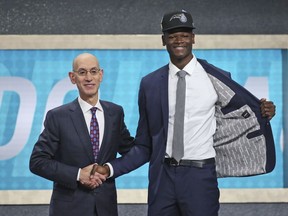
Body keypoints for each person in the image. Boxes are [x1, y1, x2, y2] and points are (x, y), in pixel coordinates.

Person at [94, 10, 276, 216]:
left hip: (200, 176)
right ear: (163, 40)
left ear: (193, 38)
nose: (179, 40)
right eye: (172, 35)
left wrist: (265, 112)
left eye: (184, 34)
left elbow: (244, 112)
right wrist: (109, 169)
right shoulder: (150, 83)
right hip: (162, 178)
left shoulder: (217, 78)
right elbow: (145, 144)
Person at [29, 53, 134, 216]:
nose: (88, 78)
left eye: (93, 71)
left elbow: (133, 153)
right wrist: (78, 175)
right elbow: (37, 162)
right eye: (82, 72)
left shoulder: (115, 113)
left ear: (101, 75)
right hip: (69, 209)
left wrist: (109, 169)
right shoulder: (58, 117)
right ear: (73, 77)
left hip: (106, 208)